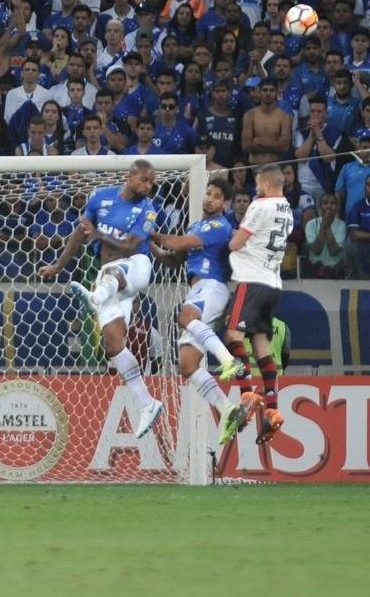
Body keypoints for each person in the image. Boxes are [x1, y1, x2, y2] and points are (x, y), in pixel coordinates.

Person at [38, 160, 164, 439]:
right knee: (113, 344)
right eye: (144, 180)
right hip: (110, 278)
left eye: (151, 182)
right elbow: (79, 234)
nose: (148, 186)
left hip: (137, 266)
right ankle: (147, 403)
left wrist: (98, 234)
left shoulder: (147, 209)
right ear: (129, 176)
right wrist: (58, 267)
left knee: (114, 271)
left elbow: (132, 245)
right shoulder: (100, 198)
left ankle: (94, 297)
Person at [150, 178, 254, 445]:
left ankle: (230, 361)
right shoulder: (196, 225)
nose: (209, 198)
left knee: (184, 316)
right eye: (208, 193)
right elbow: (173, 259)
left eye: (216, 196)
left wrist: (149, 232)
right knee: (187, 364)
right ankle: (228, 409)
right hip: (197, 289)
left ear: (225, 203)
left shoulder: (221, 226)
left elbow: (180, 243)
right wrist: (149, 245)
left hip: (212, 286)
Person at [224, 164, 293, 445]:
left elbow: (236, 243)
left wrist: (229, 242)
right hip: (274, 284)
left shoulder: (260, 205)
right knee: (262, 345)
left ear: (265, 183)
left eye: (257, 184)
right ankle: (273, 409)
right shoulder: (287, 209)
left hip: (252, 280)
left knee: (232, 335)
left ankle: (247, 393)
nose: (255, 189)